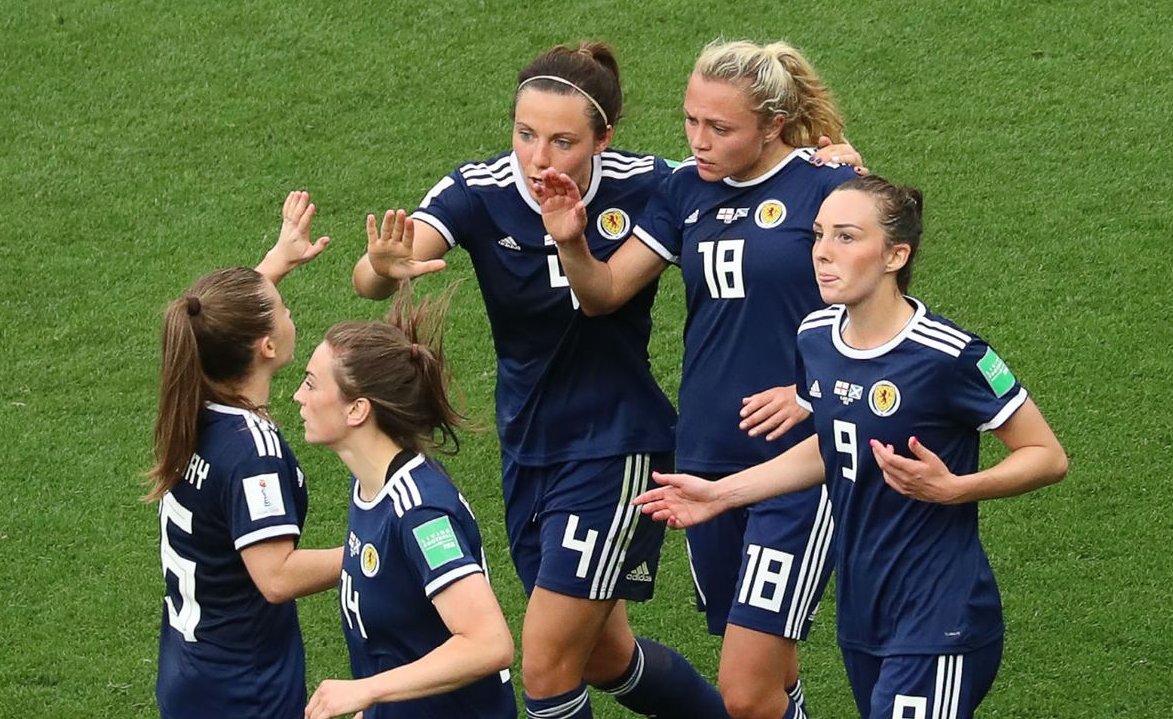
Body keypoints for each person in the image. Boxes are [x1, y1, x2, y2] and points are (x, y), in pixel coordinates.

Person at [351, 42, 818, 719]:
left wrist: (827, 164)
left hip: (617, 446)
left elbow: (760, 182)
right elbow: (378, 276)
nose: (538, 158)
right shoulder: (478, 192)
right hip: (530, 445)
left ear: (605, 138)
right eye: (525, 134)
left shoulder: (651, 185)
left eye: (564, 141)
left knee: (544, 665)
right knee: (603, 657)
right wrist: (382, 267)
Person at [634, 175, 1070, 719]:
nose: (822, 253)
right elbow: (835, 446)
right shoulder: (816, 336)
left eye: (845, 238)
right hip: (864, 612)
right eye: (818, 235)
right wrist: (725, 494)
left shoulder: (949, 354)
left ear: (895, 255)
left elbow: (1047, 455)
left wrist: (957, 488)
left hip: (939, 612)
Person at [536, 39, 862, 719]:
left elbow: (881, 316)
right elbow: (604, 293)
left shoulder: (828, 189)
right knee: (771, 674)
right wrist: (571, 240)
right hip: (707, 461)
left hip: (798, 464)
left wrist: (813, 395)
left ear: (772, 125)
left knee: (743, 692)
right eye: (691, 121)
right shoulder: (682, 190)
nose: (700, 141)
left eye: (721, 128)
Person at [148, 191, 341, 719]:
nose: (288, 310)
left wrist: (276, 263)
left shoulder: (193, 407)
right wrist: (369, 554)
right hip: (244, 691)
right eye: (281, 309)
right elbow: (276, 577)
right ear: (267, 348)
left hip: (190, 674)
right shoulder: (252, 451)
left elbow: (215, 321)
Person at [295, 287, 517, 719]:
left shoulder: (420, 513)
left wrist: (365, 691)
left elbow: (489, 643)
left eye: (311, 383)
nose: (298, 397)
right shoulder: (370, 486)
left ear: (357, 410)